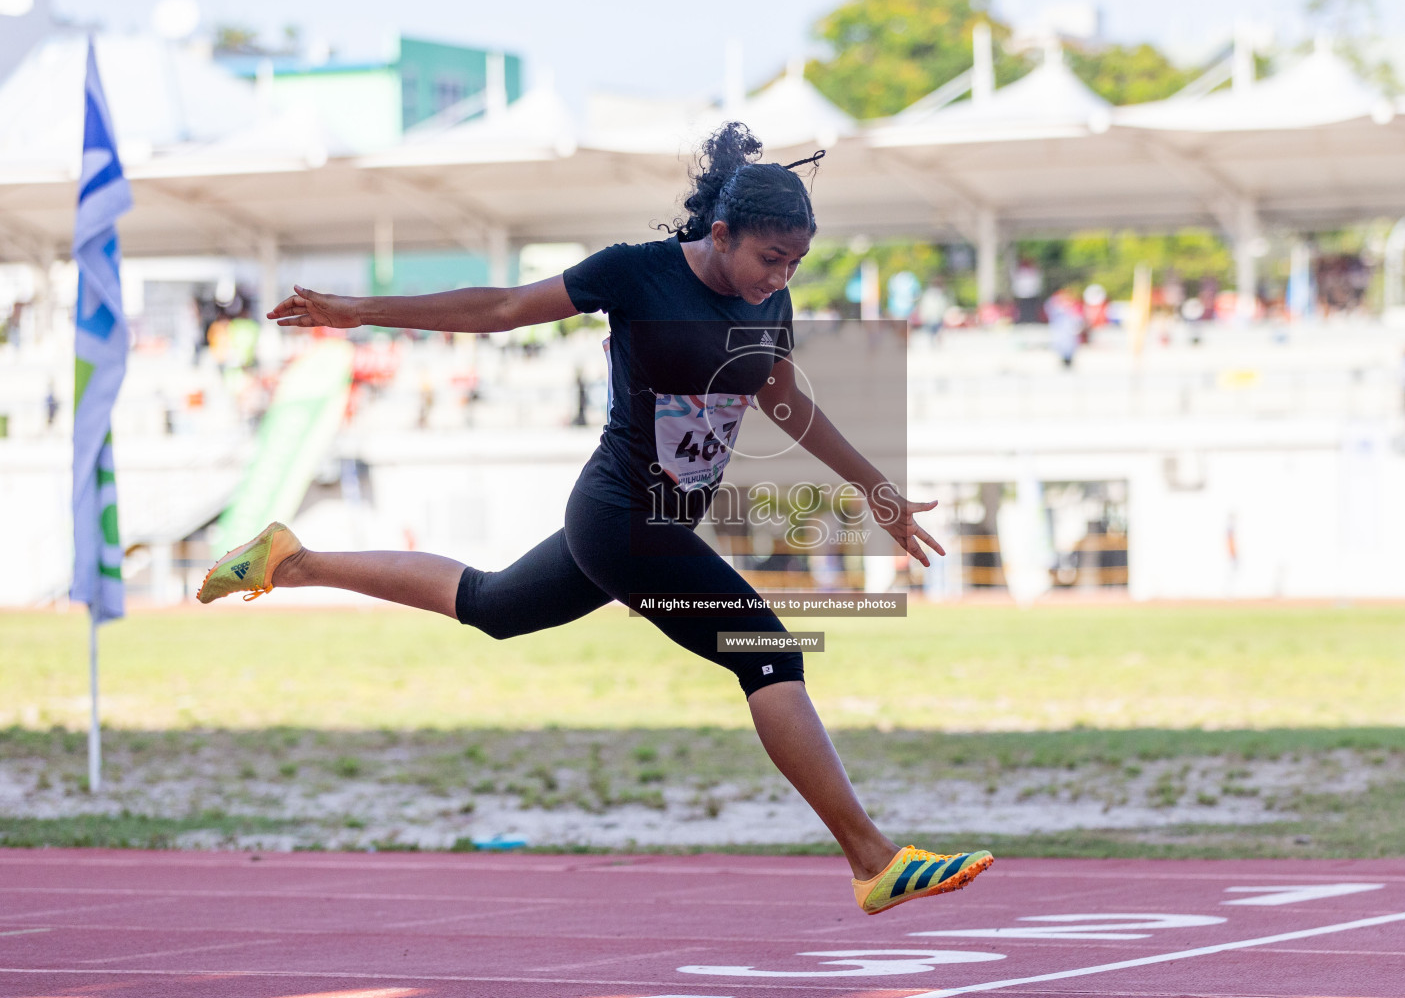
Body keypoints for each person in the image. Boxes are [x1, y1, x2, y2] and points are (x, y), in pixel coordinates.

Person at [195, 123, 992, 916]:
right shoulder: (635, 275)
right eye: (769, 258)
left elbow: (780, 399)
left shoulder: (770, 300)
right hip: (620, 516)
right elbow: (505, 305)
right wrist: (361, 310)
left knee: (491, 605)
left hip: (652, 526)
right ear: (721, 234)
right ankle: (874, 860)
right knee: (769, 654)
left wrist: (876, 489)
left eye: (795, 263)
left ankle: (291, 561)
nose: (780, 276)